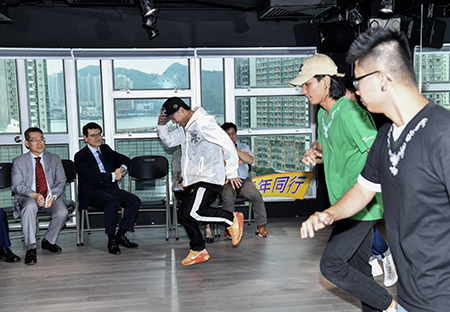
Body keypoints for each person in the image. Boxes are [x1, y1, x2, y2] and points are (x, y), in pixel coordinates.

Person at [301, 27, 450, 312]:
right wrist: (328, 214)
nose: (354, 90)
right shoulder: (386, 137)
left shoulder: (441, 134)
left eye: (357, 81)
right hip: (411, 295)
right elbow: (362, 190)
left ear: (382, 80)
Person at [290, 54, 396, 312]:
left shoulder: (349, 112)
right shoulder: (325, 115)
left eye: (308, 84)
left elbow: (378, 152)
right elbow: (334, 151)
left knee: (332, 265)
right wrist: (314, 153)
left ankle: (392, 307)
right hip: (344, 204)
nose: (304, 91)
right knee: (359, 268)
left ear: (326, 81)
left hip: (362, 205)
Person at [157, 97, 244, 266]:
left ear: (181, 109)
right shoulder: (184, 129)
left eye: (173, 118)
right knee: (184, 213)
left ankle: (231, 219)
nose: (173, 122)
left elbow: (226, 143)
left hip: (209, 177)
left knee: (191, 212)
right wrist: (161, 125)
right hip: (195, 180)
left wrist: (232, 172)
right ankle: (198, 250)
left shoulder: (204, 122)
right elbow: (168, 141)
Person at [345, 86, 398, 288]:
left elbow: (372, 150)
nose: (352, 96)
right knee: (358, 223)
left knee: (362, 222)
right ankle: (375, 257)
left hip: (366, 180)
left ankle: (382, 254)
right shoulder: (338, 115)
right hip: (351, 180)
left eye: (350, 93)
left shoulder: (360, 116)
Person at [74, 122, 140, 255]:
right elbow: (90, 176)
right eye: (93, 135)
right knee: (112, 201)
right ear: (85, 138)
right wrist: (112, 176)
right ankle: (111, 240)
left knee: (134, 200)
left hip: (110, 187)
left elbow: (126, 159)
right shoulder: (80, 156)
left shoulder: (105, 149)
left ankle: (120, 235)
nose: (97, 138)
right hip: (92, 191)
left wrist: (122, 169)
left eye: (99, 134)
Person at [11, 127, 69, 265]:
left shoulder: (54, 158)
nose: (40, 143)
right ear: (26, 143)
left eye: (42, 139)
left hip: (50, 196)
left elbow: (61, 180)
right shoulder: (18, 161)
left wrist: (52, 196)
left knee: (62, 212)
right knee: (30, 206)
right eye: (35, 140)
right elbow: (16, 185)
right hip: (28, 196)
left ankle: (48, 241)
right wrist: (34, 195)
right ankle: (31, 248)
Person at [218, 122, 268, 238]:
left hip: (243, 180)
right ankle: (229, 228)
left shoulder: (243, 147)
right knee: (228, 198)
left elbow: (250, 160)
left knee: (256, 195)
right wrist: (241, 160)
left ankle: (261, 226)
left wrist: (235, 150)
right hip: (228, 181)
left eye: (233, 134)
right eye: (228, 134)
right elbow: (221, 166)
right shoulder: (219, 149)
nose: (231, 137)